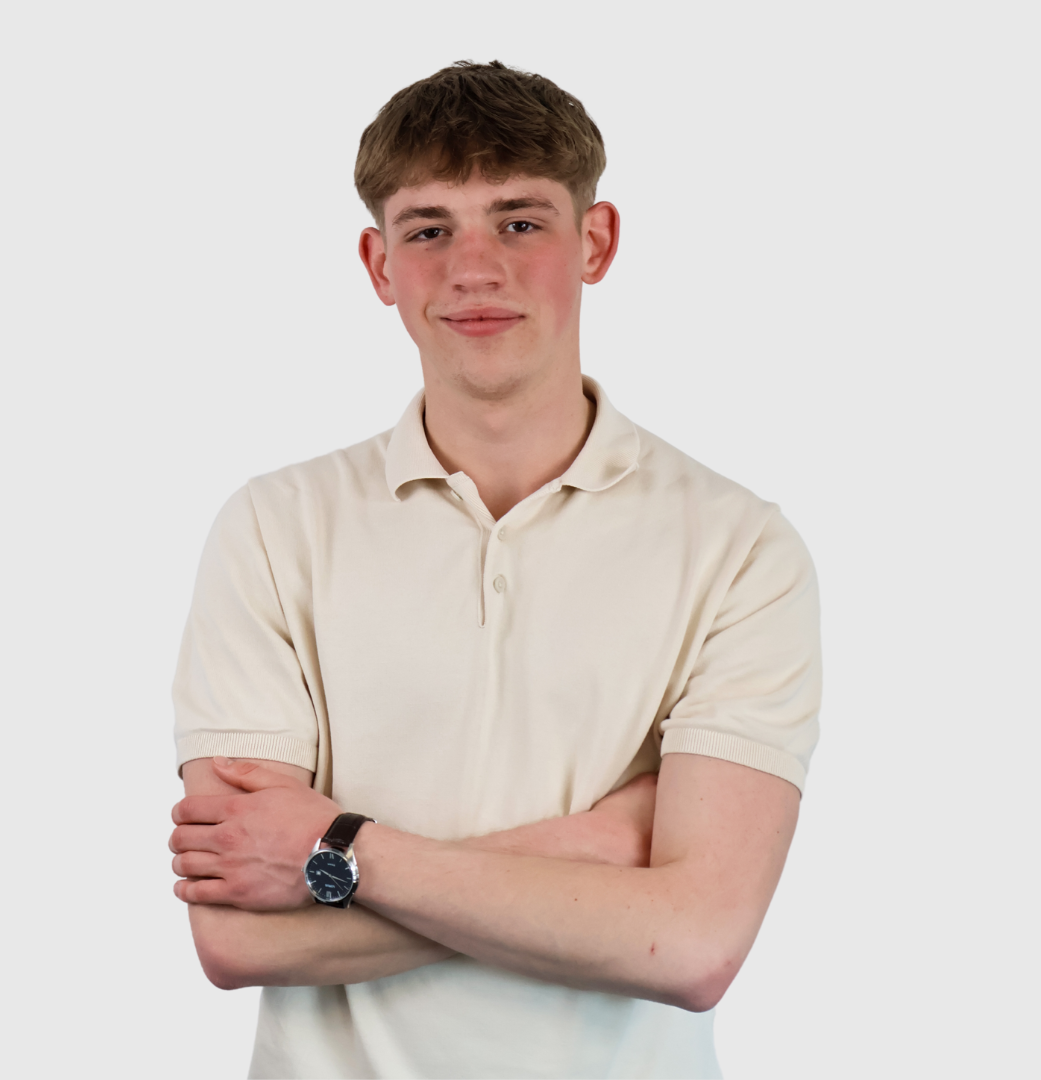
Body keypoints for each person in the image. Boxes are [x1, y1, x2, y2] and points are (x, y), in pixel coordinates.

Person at [168, 60, 821, 1079]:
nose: (474, 268)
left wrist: (335, 852)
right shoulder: (272, 529)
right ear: (379, 264)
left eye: (519, 222)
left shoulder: (741, 549)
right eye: (429, 229)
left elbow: (694, 946)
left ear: (595, 242)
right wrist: (592, 849)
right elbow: (238, 940)